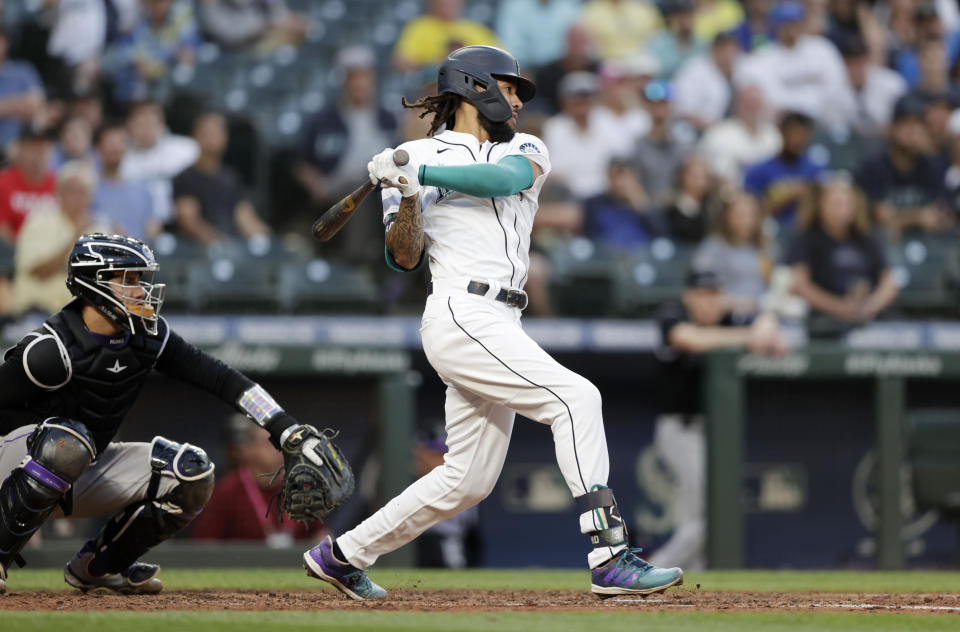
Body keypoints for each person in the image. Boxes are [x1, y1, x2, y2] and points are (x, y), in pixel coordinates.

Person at [302, 45, 683, 600]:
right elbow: (403, 255)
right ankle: (610, 555)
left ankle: (342, 555)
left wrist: (420, 170)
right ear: (474, 86)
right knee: (575, 399)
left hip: (502, 317)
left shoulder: (524, 148)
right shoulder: (409, 157)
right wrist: (406, 192)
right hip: (460, 311)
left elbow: (502, 180)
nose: (517, 100)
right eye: (508, 88)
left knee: (468, 480)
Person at [0, 233, 339, 594]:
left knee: (192, 473)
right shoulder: (49, 351)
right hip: (18, 469)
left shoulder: (148, 336)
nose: (140, 290)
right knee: (67, 442)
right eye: (127, 279)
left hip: (78, 468)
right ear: (93, 284)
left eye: (140, 279)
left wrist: (283, 427)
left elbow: (220, 377)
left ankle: (98, 566)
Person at [651, 268, 785, 571]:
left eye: (716, 295)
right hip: (679, 429)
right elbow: (689, 339)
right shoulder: (672, 314)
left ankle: (694, 584)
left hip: (716, 432)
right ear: (689, 296)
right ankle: (654, 568)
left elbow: (773, 335)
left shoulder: (728, 319)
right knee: (713, 511)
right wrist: (748, 335)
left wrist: (766, 320)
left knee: (695, 516)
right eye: (703, 295)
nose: (711, 302)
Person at [191, 416, 325, 544]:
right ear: (248, 449)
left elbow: (320, 534)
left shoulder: (303, 486)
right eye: (269, 442)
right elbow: (205, 543)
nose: (279, 448)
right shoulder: (228, 490)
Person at [786, 176, 898, 325]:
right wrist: (839, 307)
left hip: (868, 314)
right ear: (821, 205)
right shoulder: (805, 238)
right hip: (822, 318)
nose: (842, 210)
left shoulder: (868, 239)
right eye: (836, 204)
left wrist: (870, 306)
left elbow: (889, 283)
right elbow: (799, 284)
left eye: (847, 204)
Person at [13, 161, 107, 316]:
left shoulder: (99, 230)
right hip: (39, 311)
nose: (78, 198)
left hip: (85, 313)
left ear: (90, 197)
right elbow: (39, 272)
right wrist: (74, 239)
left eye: (83, 192)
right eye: (72, 191)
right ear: (59, 193)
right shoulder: (38, 223)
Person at [856, 95, 949, 239]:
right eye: (906, 124)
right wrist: (918, 216)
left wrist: (900, 220)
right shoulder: (873, 167)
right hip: (886, 250)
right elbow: (880, 216)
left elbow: (939, 214)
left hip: (929, 248)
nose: (913, 131)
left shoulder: (935, 166)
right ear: (892, 128)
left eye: (918, 124)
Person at [172, 111, 270, 244]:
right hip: (198, 252)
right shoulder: (185, 178)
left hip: (231, 249)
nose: (212, 138)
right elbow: (189, 222)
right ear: (195, 136)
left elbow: (245, 218)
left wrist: (272, 241)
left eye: (217, 133)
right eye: (206, 133)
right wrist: (221, 244)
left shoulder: (231, 178)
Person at [543, 71, 632, 200]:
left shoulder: (608, 122)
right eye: (576, 96)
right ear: (564, 100)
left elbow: (622, 161)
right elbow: (551, 173)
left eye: (586, 96)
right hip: (567, 198)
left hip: (606, 196)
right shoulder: (553, 128)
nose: (582, 101)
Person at [102, 0, 201, 103]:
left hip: (166, 78)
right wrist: (134, 59)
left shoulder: (181, 17)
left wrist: (185, 54)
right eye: (155, 2)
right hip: (135, 79)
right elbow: (115, 53)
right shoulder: (135, 20)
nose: (160, 6)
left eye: (163, 2)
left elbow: (192, 45)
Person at [121, 100, 199, 228]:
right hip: (133, 223)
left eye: (151, 123)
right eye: (141, 123)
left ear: (161, 125)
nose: (146, 129)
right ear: (130, 125)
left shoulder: (186, 149)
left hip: (175, 224)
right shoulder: (122, 158)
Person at [692, 191, 770, 315]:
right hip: (728, 317)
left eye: (752, 215)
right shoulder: (713, 247)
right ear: (727, 216)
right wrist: (739, 303)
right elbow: (701, 293)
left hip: (763, 314)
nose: (747, 221)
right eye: (741, 215)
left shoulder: (762, 247)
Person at [744, 110, 822, 230]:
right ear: (782, 133)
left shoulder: (815, 170)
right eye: (793, 133)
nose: (797, 139)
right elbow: (751, 211)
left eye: (802, 134)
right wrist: (787, 194)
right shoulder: (760, 170)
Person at [697, 84, 781, 185]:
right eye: (748, 103)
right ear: (736, 104)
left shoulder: (773, 136)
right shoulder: (718, 133)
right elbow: (703, 167)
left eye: (756, 103)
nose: (752, 108)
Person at [632, 80, 693, 208]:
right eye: (654, 104)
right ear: (647, 106)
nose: (658, 109)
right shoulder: (638, 146)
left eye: (663, 103)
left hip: (675, 212)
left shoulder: (681, 146)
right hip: (647, 212)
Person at [93, 122, 158, 241]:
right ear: (98, 147)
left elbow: (152, 224)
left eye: (120, 142)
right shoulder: (88, 188)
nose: (115, 148)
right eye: (110, 143)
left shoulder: (141, 188)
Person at [392, 0, 501, 71]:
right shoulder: (420, 27)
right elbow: (401, 62)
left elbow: (502, 60)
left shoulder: (476, 29)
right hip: (432, 88)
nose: (447, 3)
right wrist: (436, 64)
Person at [583, 158, 663, 249]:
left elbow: (661, 236)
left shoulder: (647, 205)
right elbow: (590, 236)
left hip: (641, 256)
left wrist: (643, 207)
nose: (619, 183)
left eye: (624, 178)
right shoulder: (594, 204)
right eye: (614, 178)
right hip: (606, 257)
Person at [671, 31, 742, 131]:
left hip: (726, 131)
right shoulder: (694, 70)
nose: (729, 54)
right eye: (724, 49)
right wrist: (713, 129)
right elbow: (683, 111)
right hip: (694, 131)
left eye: (732, 50)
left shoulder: (738, 70)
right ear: (715, 49)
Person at [0, 126, 57, 243]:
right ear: (20, 149)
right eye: (33, 146)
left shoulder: (60, 184)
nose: (39, 152)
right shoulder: (3, 183)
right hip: (13, 255)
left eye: (44, 146)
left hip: (54, 254)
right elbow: (2, 231)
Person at [0, 27, 45, 158]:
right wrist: (19, 107)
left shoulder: (23, 70)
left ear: (6, 42)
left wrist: (3, 107)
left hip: (19, 147)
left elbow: (37, 106)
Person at [495, 0, 582, 68]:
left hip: (563, 67)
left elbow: (576, 43)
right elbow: (511, 47)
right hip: (527, 69)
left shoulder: (570, 6)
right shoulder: (514, 7)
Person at [198, 0, 309, 52]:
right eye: (299, 21)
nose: (296, 21)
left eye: (296, 27)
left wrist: (210, 5)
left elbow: (219, 27)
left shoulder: (256, 36)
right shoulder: (278, 10)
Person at [664, 154, 723, 243]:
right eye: (694, 176)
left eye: (703, 176)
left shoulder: (713, 205)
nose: (699, 181)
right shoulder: (671, 205)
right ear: (682, 177)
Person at [581, 0, 663, 62]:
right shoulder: (590, 11)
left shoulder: (644, 9)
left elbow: (656, 38)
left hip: (641, 59)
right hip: (606, 60)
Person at [645, 0, 707, 79]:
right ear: (672, 19)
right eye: (680, 16)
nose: (684, 21)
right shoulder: (657, 42)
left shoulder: (702, 45)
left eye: (688, 15)